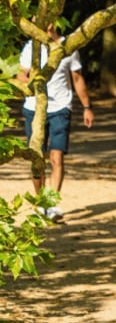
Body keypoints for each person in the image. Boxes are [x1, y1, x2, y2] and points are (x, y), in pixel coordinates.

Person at [17, 28, 94, 223]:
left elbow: (77, 78)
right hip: (34, 108)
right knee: (37, 159)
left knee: (56, 156)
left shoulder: (68, 46)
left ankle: (52, 203)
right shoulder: (31, 47)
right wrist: (28, 81)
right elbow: (21, 75)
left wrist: (87, 107)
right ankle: (40, 203)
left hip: (60, 107)